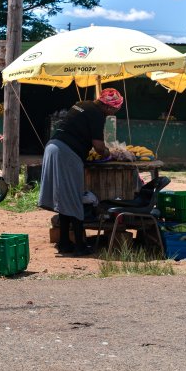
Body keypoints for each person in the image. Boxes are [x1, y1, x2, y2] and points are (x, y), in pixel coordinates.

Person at [38, 88, 124, 256]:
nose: (113, 113)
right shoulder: (98, 115)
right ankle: (80, 245)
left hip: (53, 147)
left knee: (64, 198)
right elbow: (99, 147)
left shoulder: (83, 104)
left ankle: (64, 243)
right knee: (74, 197)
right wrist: (111, 153)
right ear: (110, 107)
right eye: (115, 110)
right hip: (67, 153)